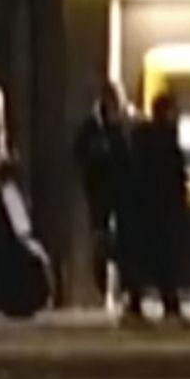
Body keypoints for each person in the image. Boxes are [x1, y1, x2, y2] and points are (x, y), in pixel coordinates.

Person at [122, 98, 189, 324]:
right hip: (161, 208)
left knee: (143, 258)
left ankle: (136, 303)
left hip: (144, 207)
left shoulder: (141, 138)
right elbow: (175, 176)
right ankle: (169, 304)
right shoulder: (167, 140)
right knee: (165, 259)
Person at [71, 88, 132, 311]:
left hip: (121, 193)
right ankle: (103, 288)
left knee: (119, 242)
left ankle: (121, 289)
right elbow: (79, 154)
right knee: (101, 242)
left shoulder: (122, 125)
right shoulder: (93, 128)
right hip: (100, 193)